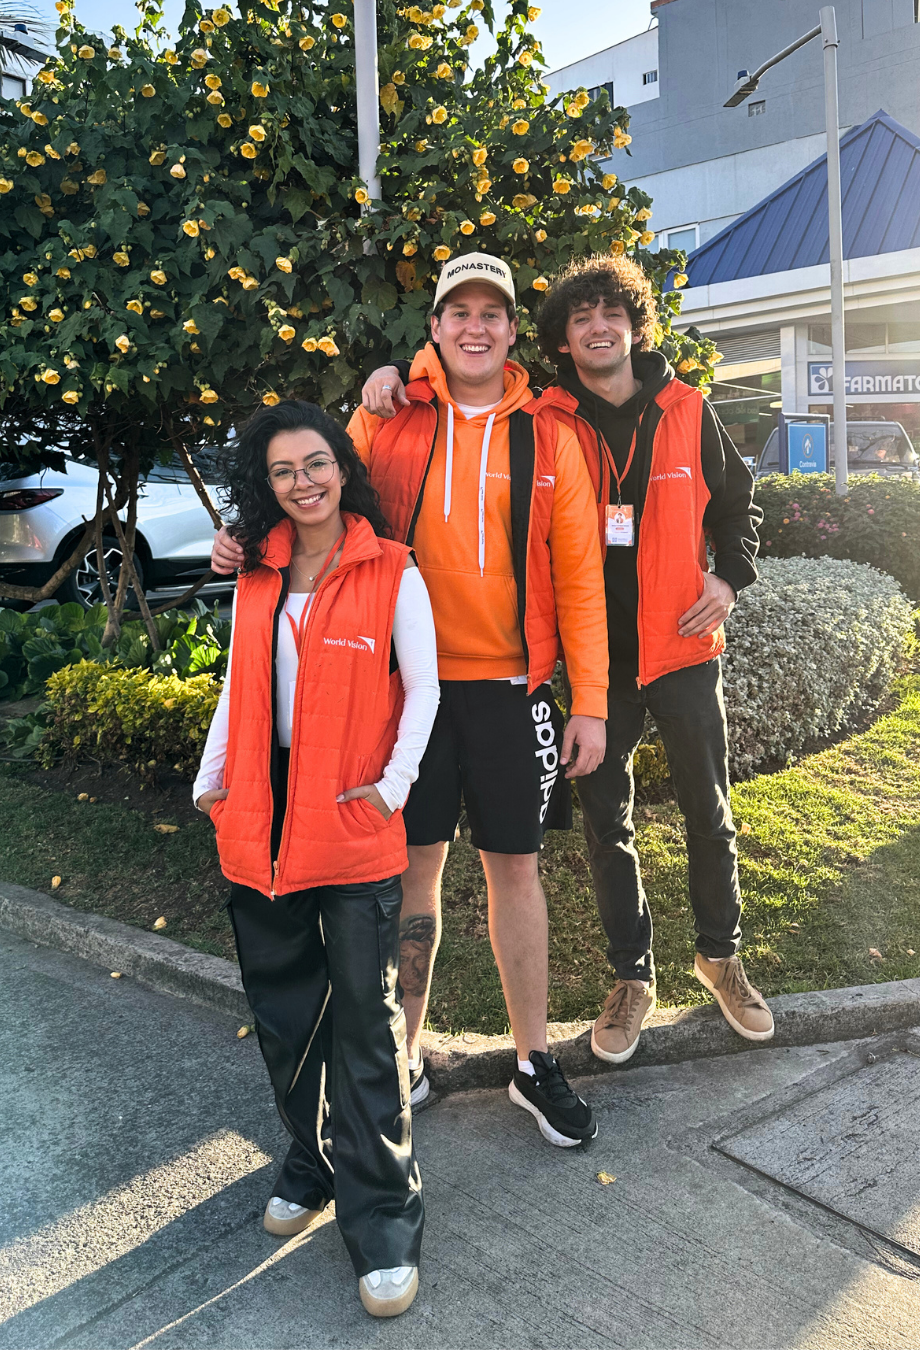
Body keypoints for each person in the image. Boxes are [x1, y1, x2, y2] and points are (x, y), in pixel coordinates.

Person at [210, 253, 609, 1149]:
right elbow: (317, 500)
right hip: (401, 693)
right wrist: (240, 541)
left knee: (517, 871)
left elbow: (581, 575)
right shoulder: (387, 416)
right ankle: (402, 1058)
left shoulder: (550, 433)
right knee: (407, 874)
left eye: (492, 313)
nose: (476, 326)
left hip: (512, 689)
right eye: (458, 312)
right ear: (434, 327)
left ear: (513, 331)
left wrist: (589, 701)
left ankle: (534, 1063)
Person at [360, 253, 774, 1067]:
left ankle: (720, 957)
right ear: (556, 339)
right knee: (607, 824)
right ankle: (632, 977)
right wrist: (392, 376)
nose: (598, 328)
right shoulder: (547, 416)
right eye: (581, 318)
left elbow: (737, 506)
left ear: (635, 326)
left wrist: (729, 578)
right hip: (599, 665)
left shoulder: (688, 409)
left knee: (709, 811)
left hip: (682, 647)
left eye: (611, 314)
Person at [193, 400, 439, 1318]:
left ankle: (384, 1217)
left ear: (343, 466)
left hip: (352, 821)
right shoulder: (256, 575)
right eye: (283, 471)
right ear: (267, 485)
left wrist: (394, 785)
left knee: (366, 1025)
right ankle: (312, 1160)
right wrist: (211, 780)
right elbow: (239, 683)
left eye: (316, 464)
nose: (303, 483)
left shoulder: (391, 569)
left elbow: (425, 688)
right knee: (286, 1015)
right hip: (261, 819)